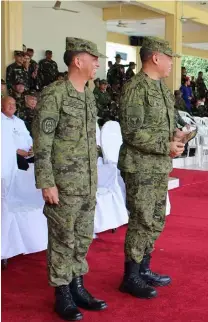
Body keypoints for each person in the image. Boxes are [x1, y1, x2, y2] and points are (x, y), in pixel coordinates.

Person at [33, 37, 107, 321]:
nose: (98, 63)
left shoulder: (88, 94)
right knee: (62, 239)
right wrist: (46, 181)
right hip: (63, 185)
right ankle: (62, 293)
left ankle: (77, 286)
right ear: (78, 61)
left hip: (86, 184)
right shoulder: (55, 94)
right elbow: (42, 142)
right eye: (94, 58)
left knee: (83, 237)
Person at [118, 36, 184, 299]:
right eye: (169, 58)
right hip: (140, 167)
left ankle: (144, 268)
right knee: (141, 219)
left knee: (156, 218)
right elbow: (132, 132)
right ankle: (130, 276)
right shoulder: (136, 87)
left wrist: (176, 135)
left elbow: (163, 126)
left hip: (158, 166)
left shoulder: (162, 88)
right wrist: (164, 145)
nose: (171, 63)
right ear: (155, 58)